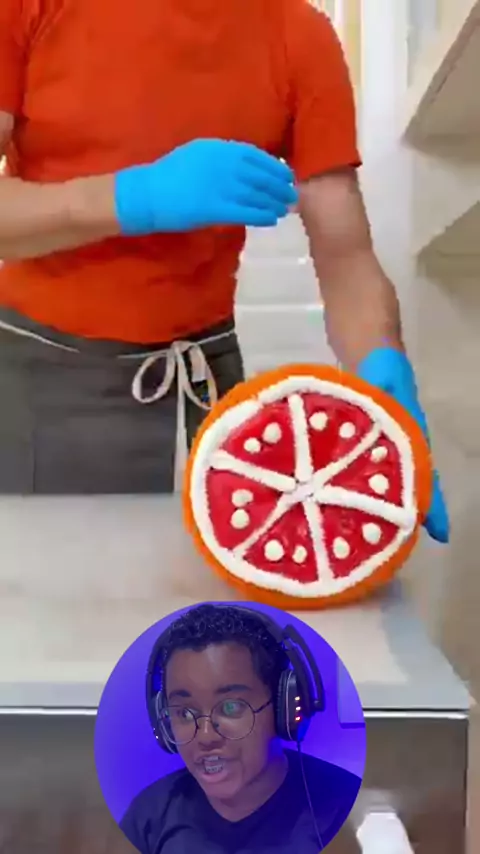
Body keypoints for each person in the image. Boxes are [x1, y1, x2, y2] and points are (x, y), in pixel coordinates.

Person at [0, 1, 449, 543]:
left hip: (207, 385)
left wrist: (382, 364)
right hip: (40, 379)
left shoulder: (298, 35)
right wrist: (131, 197)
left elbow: (346, 258)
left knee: (207, 589)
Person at [119, 603, 362, 854]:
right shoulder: (149, 818)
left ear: (284, 708)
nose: (205, 736)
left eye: (231, 707)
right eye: (185, 713)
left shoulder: (342, 810)